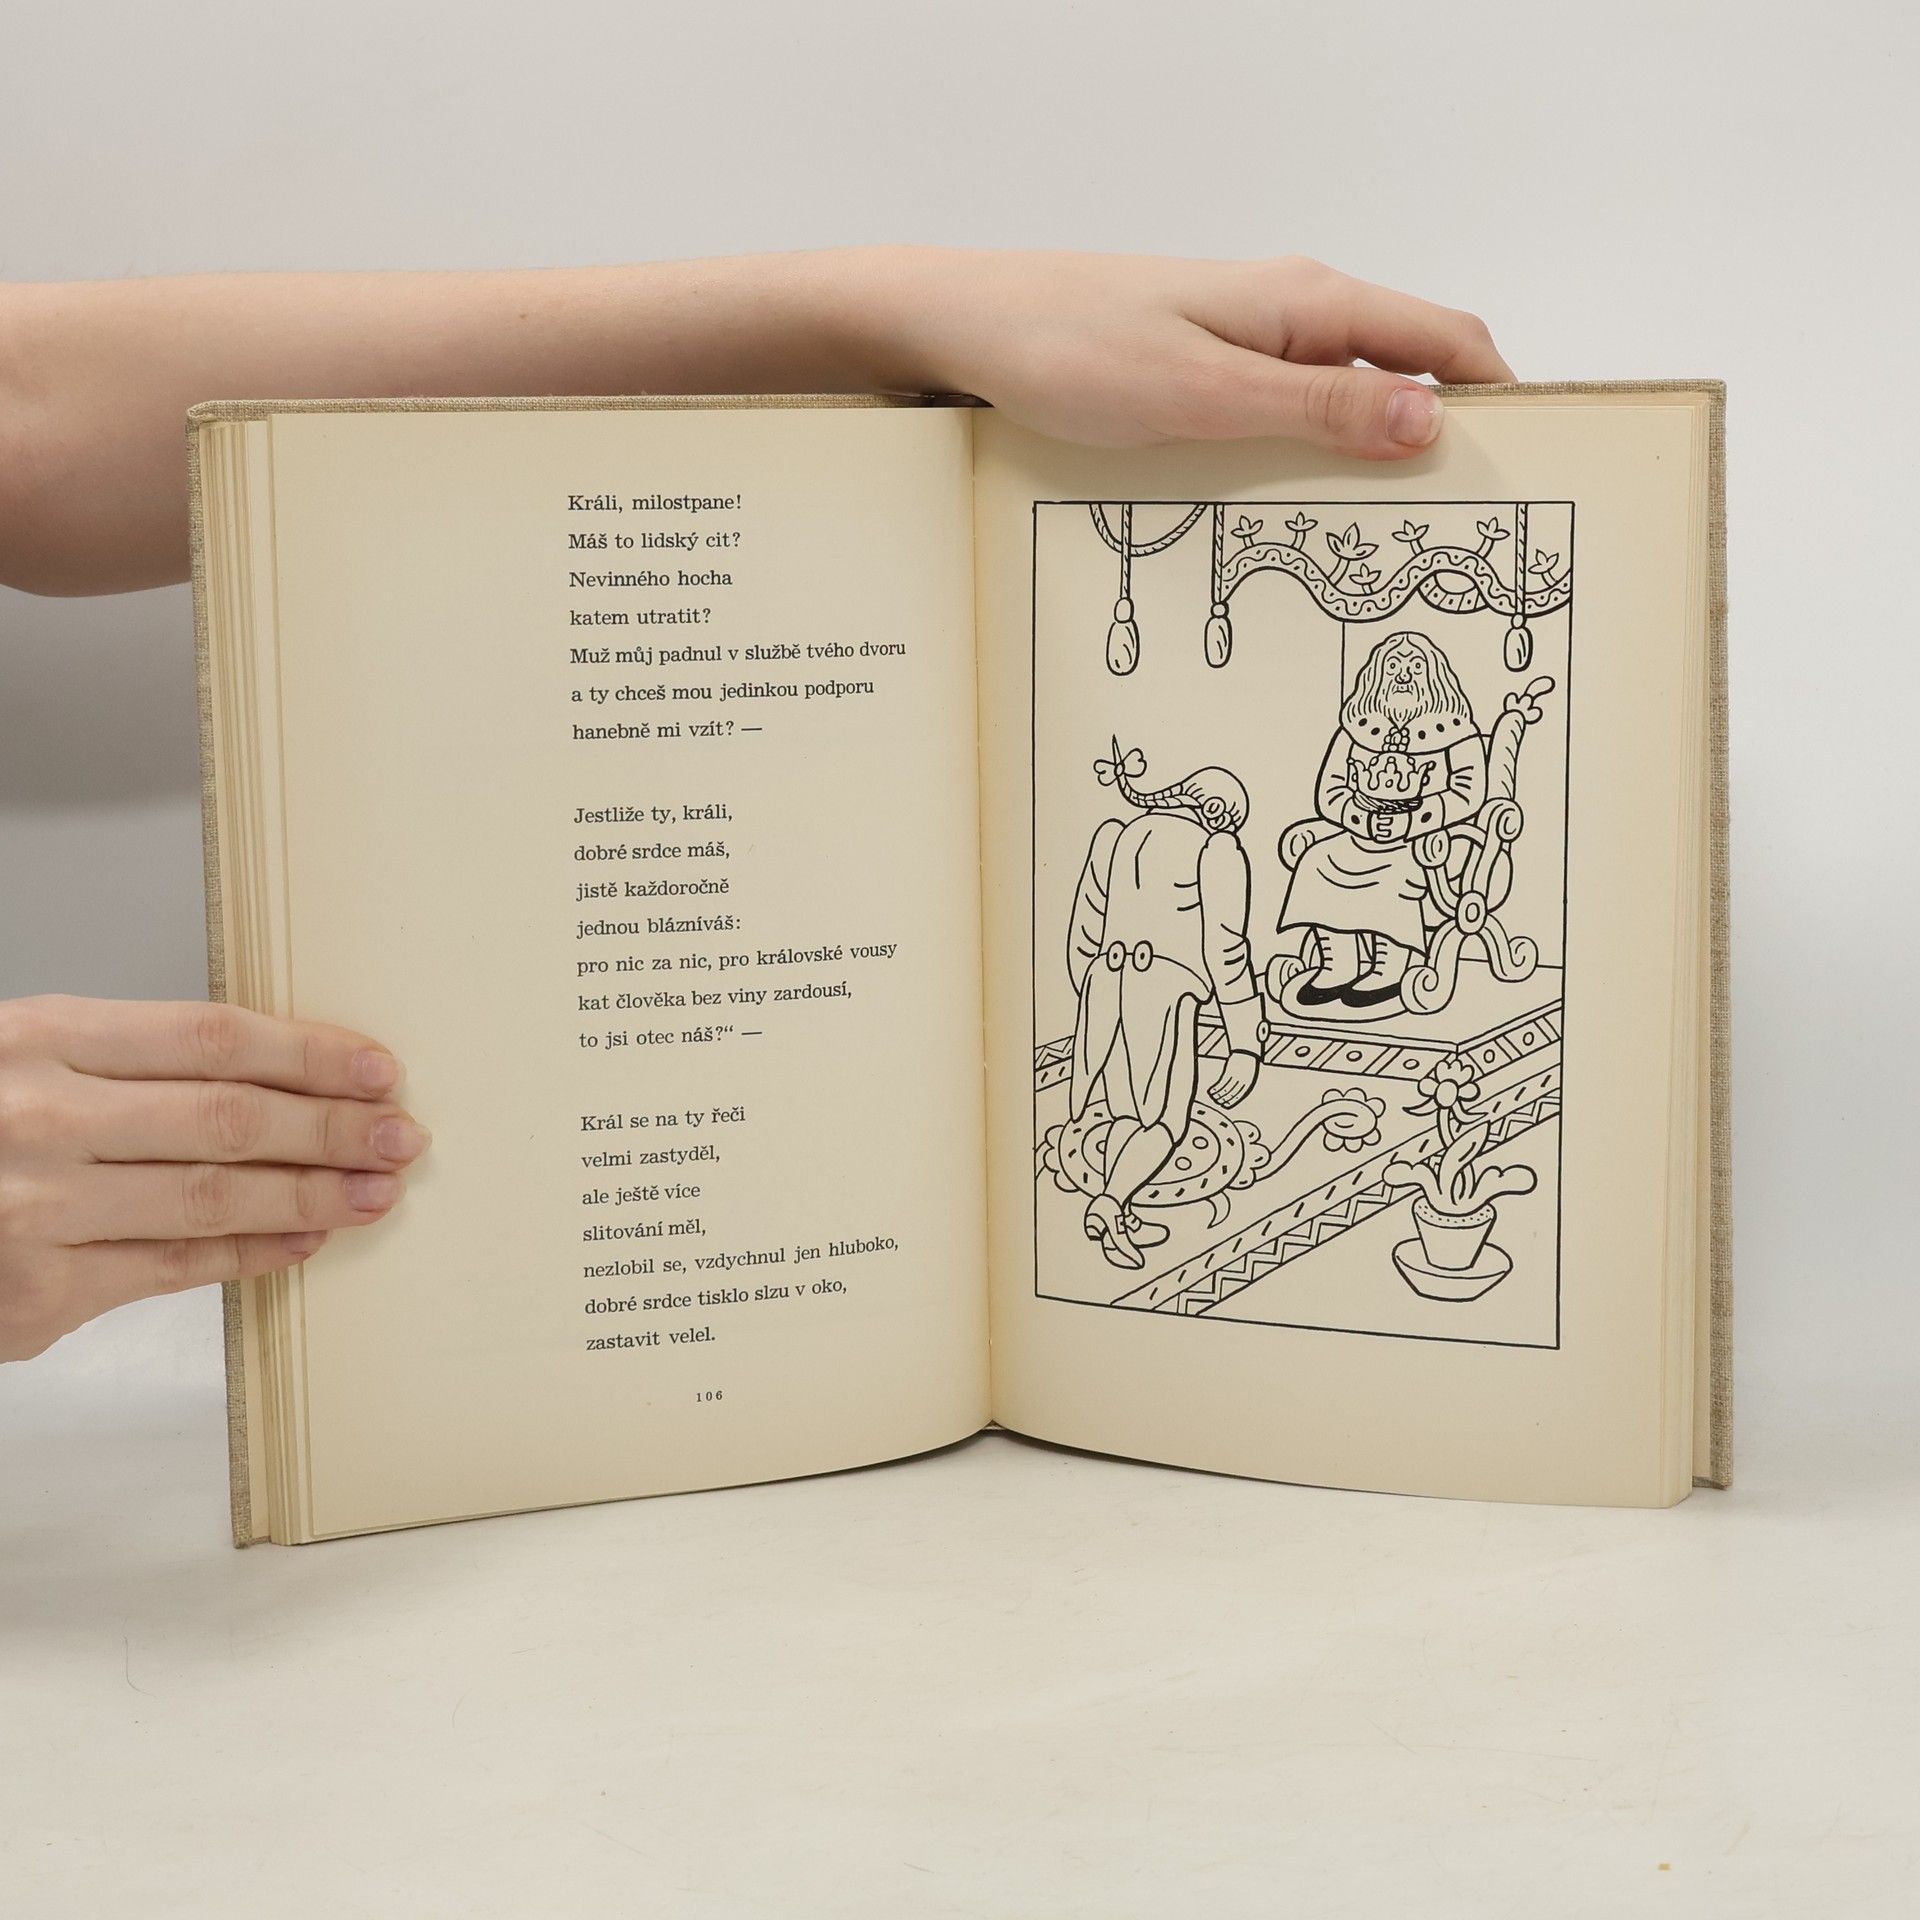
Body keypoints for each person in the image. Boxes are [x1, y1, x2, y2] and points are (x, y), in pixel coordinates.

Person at [0, 248, 1513, 1359]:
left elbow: (34, 410)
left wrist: (894, 308)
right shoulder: (1197, 850)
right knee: (1146, 1084)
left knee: (1164, 1072)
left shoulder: (1247, 840)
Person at [1065, 744, 1262, 1269]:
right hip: (1164, 989)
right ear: (1217, 812)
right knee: (1164, 1123)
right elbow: (1227, 950)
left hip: (1107, 980)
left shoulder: (1115, 836)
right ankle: (1110, 1205)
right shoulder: (1217, 852)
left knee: (1125, 1111)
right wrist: (1245, 1041)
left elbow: (1085, 928)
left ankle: (1120, 1207)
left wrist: (1091, 990)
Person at [1275, 630, 1487, 1011]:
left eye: (1415, 667)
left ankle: (1390, 966)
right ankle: (1339, 961)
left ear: (1435, 677)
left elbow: (1468, 793)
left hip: (1426, 841)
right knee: (1316, 861)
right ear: (1376, 676)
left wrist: (1411, 823)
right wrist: (1362, 820)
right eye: (1393, 667)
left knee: (1396, 871)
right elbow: (1330, 790)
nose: (1403, 676)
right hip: (1361, 834)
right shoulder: (1356, 729)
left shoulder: (1457, 731)